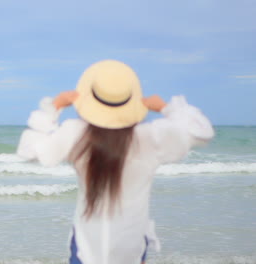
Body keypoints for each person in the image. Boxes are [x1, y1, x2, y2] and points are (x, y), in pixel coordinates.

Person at [17, 60, 214, 264]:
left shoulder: (76, 133)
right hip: (132, 241)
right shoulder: (149, 136)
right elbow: (202, 132)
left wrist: (54, 107)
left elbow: (27, 151)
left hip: (88, 242)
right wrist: (166, 108)